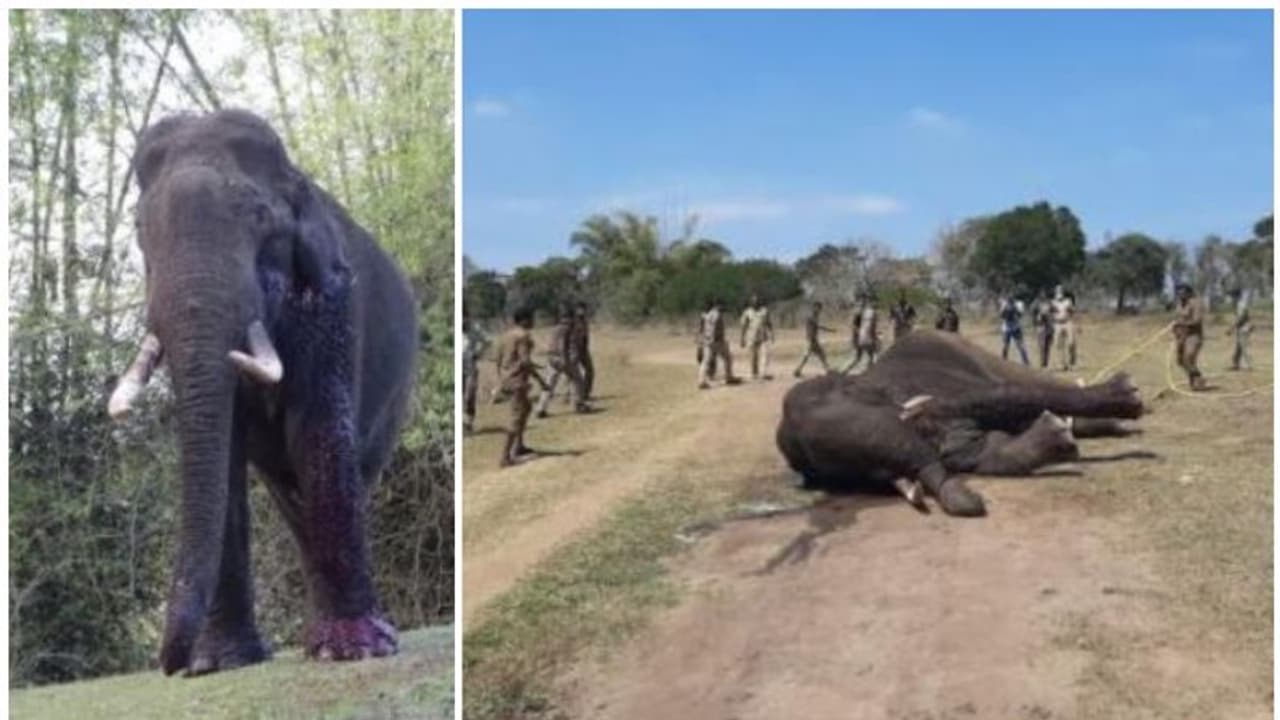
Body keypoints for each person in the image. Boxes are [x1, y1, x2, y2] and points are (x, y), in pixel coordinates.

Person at [497, 306, 548, 467]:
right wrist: (541, 381)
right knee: (516, 417)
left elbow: (498, 359)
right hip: (517, 380)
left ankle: (519, 446)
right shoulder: (523, 336)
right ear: (524, 320)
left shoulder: (506, 336)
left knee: (526, 408)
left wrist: (501, 378)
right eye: (531, 318)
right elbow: (525, 361)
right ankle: (505, 457)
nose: (534, 321)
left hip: (507, 378)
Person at [535, 305, 590, 417]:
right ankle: (579, 404)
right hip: (564, 358)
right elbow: (562, 345)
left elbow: (551, 345)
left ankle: (541, 408)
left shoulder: (555, 328)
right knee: (578, 380)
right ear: (571, 317)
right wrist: (566, 361)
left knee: (549, 384)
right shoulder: (568, 328)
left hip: (552, 359)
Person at [1172, 283, 1207, 391]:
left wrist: (1182, 324)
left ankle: (1198, 379)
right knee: (1180, 361)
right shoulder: (1179, 304)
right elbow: (1177, 318)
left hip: (1194, 336)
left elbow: (1197, 321)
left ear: (1188, 293)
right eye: (1178, 292)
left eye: (1182, 292)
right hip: (1181, 336)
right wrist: (1175, 329)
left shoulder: (1196, 303)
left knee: (1188, 358)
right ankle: (1194, 379)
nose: (1180, 294)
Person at [698, 298, 737, 389]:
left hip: (708, 340)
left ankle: (701, 381)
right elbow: (715, 328)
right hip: (717, 340)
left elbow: (703, 327)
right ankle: (729, 377)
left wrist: (703, 339)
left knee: (706, 361)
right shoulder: (717, 315)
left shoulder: (707, 314)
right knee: (728, 358)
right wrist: (715, 338)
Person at [462, 308, 490, 434]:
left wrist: (478, 353)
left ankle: (468, 423)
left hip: (469, 364)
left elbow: (487, 341)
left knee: (469, 395)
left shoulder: (474, 328)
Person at [794, 301, 835, 377]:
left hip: (813, 339)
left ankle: (827, 370)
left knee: (821, 355)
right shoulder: (811, 316)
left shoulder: (815, 316)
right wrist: (830, 330)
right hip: (810, 339)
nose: (820, 310)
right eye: (819, 308)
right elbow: (819, 326)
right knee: (807, 356)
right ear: (815, 308)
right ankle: (797, 370)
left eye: (820, 309)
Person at [739, 293, 775, 380]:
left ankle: (763, 373)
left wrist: (772, 334)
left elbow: (769, 324)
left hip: (763, 337)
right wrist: (742, 338)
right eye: (753, 301)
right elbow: (744, 326)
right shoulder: (747, 312)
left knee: (765, 355)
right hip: (751, 337)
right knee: (753, 356)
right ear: (751, 302)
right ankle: (754, 373)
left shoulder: (764, 311)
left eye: (757, 301)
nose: (755, 302)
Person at [842, 293, 879, 373]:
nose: (865, 302)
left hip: (862, 336)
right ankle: (868, 372)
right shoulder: (859, 312)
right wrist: (860, 333)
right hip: (861, 337)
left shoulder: (865, 311)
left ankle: (845, 371)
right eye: (864, 300)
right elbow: (854, 325)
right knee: (869, 355)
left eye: (865, 300)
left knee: (862, 356)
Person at [1050, 285, 1077, 371]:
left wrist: (1071, 309)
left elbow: (1073, 311)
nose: (1059, 295)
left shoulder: (1068, 301)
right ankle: (1063, 364)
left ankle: (1072, 362)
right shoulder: (1053, 302)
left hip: (1067, 322)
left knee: (1071, 343)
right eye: (1057, 292)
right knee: (1058, 344)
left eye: (1060, 292)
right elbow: (1050, 313)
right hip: (1057, 323)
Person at [572, 301, 595, 398]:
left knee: (590, 371)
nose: (582, 311)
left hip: (583, 349)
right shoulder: (573, 322)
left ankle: (585, 393)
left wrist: (585, 348)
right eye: (580, 309)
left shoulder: (585, 321)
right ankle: (571, 395)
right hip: (574, 350)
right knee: (573, 374)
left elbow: (586, 336)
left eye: (584, 309)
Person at [999, 295, 1030, 365]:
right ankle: (1003, 360)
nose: (1010, 304)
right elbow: (1001, 315)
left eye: (1011, 302)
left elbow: (1020, 315)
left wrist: (1015, 309)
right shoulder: (1004, 305)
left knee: (1020, 345)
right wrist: (1005, 309)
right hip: (1006, 328)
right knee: (1005, 345)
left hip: (1016, 327)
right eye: (1009, 302)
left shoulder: (1018, 305)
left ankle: (1025, 362)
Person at [1227, 288, 1253, 371]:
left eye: (1232, 296)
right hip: (1241, 328)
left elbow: (1240, 319)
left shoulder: (1241, 305)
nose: (1231, 298)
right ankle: (1236, 363)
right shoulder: (1238, 304)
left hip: (1244, 328)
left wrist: (1231, 328)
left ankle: (1246, 365)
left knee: (1243, 347)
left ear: (1236, 296)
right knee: (1239, 347)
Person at [1032, 292, 1054, 369]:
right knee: (1042, 346)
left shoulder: (1049, 303)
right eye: (1042, 295)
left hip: (1049, 326)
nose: (1043, 296)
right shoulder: (1036, 303)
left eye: (1044, 295)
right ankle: (1042, 363)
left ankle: (1045, 363)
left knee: (1047, 346)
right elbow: (1033, 313)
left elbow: (1054, 311)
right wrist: (1035, 323)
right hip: (1041, 326)